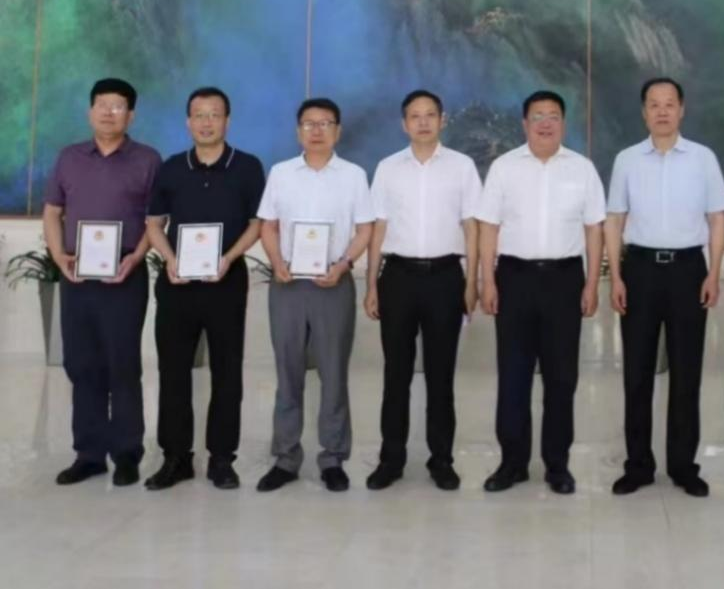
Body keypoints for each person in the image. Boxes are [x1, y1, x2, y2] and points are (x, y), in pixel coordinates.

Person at [605, 78, 724, 498]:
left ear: (681, 109)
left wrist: (713, 273)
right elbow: (614, 220)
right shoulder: (626, 160)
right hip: (639, 269)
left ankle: (683, 466)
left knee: (686, 373)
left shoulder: (703, 158)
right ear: (644, 112)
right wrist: (616, 276)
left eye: (669, 104)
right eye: (654, 104)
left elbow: (717, 219)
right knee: (637, 373)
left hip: (688, 271)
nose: (662, 111)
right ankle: (638, 465)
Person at [476, 91, 605, 495]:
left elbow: (594, 230)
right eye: (537, 116)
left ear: (563, 123)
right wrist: (487, 281)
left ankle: (557, 465)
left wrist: (591, 283)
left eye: (553, 116)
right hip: (514, 278)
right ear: (524, 123)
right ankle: (512, 463)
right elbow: (488, 228)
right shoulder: (504, 167)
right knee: (513, 376)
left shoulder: (582, 169)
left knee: (561, 378)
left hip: (564, 280)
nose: (545, 123)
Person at [144, 87, 266, 491]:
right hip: (177, 284)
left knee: (227, 372)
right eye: (199, 114)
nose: (206, 122)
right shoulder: (171, 168)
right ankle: (175, 458)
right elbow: (154, 225)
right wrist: (169, 258)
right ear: (188, 122)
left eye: (214, 114)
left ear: (227, 121)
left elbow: (257, 225)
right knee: (173, 371)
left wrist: (228, 258)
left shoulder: (247, 167)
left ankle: (221, 459)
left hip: (226, 282)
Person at [43, 78, 162, 487]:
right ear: (90, 111)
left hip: (124, 273)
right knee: (81, 363)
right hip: (77, 273)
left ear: (131, 115)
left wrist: (137, 256)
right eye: (102, 105)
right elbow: (52, 211)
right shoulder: (69, 157)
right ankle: (89, 454)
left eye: (118, 106)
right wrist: (58, 256)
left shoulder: (147, 159)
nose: (109, 112)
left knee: (122, 364)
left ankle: (127, 453)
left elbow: (156, 219)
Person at [364, 89, 482, 492]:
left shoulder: (462, 166)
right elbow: (378, 228)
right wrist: (371, 284)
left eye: (430, 115)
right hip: (397, 277)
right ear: (404, 124)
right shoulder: (387, 168)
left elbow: (472, 226)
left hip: (446, 278)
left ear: (442, 120)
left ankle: (441, 461)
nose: (423, 122)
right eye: (415, 116)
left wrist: (472, 281)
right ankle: (391, 460)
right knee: (395, 375)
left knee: (440, 376)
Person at [255, 98, 374, 493]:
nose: (317, 130)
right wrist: (276, 261)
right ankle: (285, 458)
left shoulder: (354, 176)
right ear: (298, 131)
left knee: (333, 373)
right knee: (287, 372)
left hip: (333, 284)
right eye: (309, 123)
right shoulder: (281, 173)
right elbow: (268, 225)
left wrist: (344, 264)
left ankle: (333, 458)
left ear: (338, 130)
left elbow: (365, 229)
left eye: (325, 123)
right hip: (288, 284)